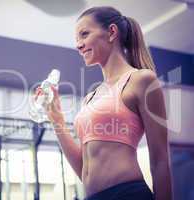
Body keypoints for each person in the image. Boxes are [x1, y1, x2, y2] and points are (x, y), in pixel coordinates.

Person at [37, 6, 173, 200]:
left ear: (111, 32)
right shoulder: (90, 97)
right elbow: (85, 169)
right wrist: (56, 119)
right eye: (77, 39)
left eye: (84, 34)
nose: (78, 45)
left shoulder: (142, 80)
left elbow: (160, 160)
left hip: (127, 194)